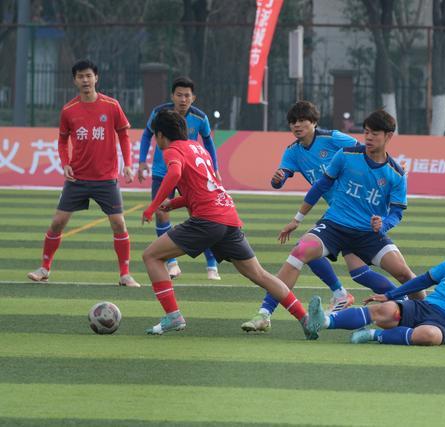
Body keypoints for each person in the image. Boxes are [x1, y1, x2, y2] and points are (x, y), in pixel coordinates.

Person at [141, 109, 312, 336]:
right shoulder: (197, 148)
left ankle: (173, 317)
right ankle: (305, 318)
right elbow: (205, 188)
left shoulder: (172, 150)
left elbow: (173, 174)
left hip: (207, 220)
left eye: (156, 136)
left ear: (161, 135)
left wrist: (152, 207)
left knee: (151, 256)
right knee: (259, 274)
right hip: (227, 216)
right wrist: (172, 204)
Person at [261, 109, 423, 340]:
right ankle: (265, 312)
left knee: (405, 274)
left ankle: (428, 314)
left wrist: (383, 225)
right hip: (335, 225)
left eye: (374, 133)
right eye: (366, 132)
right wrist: (297, 219)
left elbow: (397, 213)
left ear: (388, 136)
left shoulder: (396, 174)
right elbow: (320, 186)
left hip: (368, 234)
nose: (368, 137)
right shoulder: (346, 154)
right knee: (300, 252)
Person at [305, 221, 445, 348]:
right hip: (425, 307)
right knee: (385, 311)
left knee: (428, 336)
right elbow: (423, 280)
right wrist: (391, 295)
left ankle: (373, 335)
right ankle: (323, 321)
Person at [27, 59, 140, 287]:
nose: (85, 80)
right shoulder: (69, 110)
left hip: (106, 178)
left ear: (96, 78)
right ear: (75, 81)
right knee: (58, 222)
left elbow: (124, 136)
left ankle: (125, 274)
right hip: (77, 178)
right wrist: (65, 163)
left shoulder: (112, 105)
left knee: (119, 224)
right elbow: (62, 140)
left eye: (89, 76)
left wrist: (128, 164)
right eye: (81, 76)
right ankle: (44, 268)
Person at [138, 76, 221, 281]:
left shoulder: (200, 118)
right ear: (172, 96)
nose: (183, 99)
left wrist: (215, 169)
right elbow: (147, 135)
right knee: (161, 213)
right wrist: (141, 161)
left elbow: (208, 143)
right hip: (161, 172)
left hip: (189, 174)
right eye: (179, 95)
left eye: (187, 96)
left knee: (200, 216)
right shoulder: (159, 114)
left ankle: (211, 264)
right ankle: (172, 263)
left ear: (193, 98)